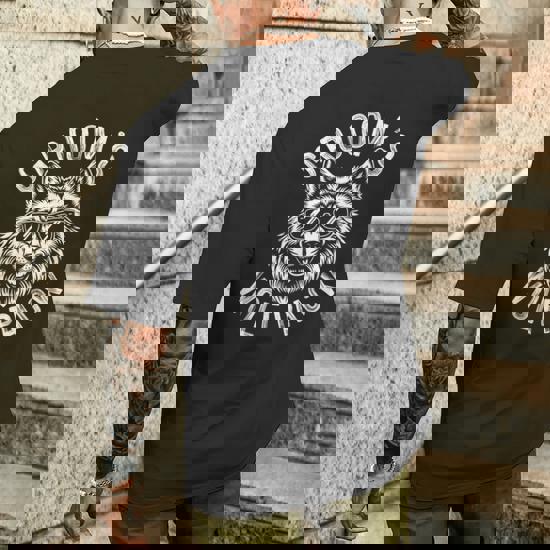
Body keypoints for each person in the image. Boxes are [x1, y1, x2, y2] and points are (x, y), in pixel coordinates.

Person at [103, 1, 481, 543]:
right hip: (284, 273)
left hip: (294, 273)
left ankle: (162, 509)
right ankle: (155, 510)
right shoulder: (416, 75)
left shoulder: (404, 74)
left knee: (228, 408)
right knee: (223, 409)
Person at [344, 0, 550, 544]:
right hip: (528, 375)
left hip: (510, 362)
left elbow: (498, 255)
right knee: (488, 487)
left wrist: (450, 343)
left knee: (431, 491)